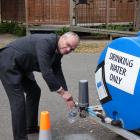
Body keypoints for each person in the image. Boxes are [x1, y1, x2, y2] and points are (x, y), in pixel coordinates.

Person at [0, 31, 80, 140]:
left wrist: (66, 94)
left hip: (22, 66)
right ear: (62, 38)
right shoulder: (46, 43)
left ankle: (31, 127)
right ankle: (20, 138)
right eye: (68, 45)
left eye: (72, 49)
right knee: (18, 102)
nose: (68, 50)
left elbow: (57, 70)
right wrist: (62, 92)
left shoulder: (58, 50)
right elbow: (46, 72)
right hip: (8, 62)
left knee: (34, 91)